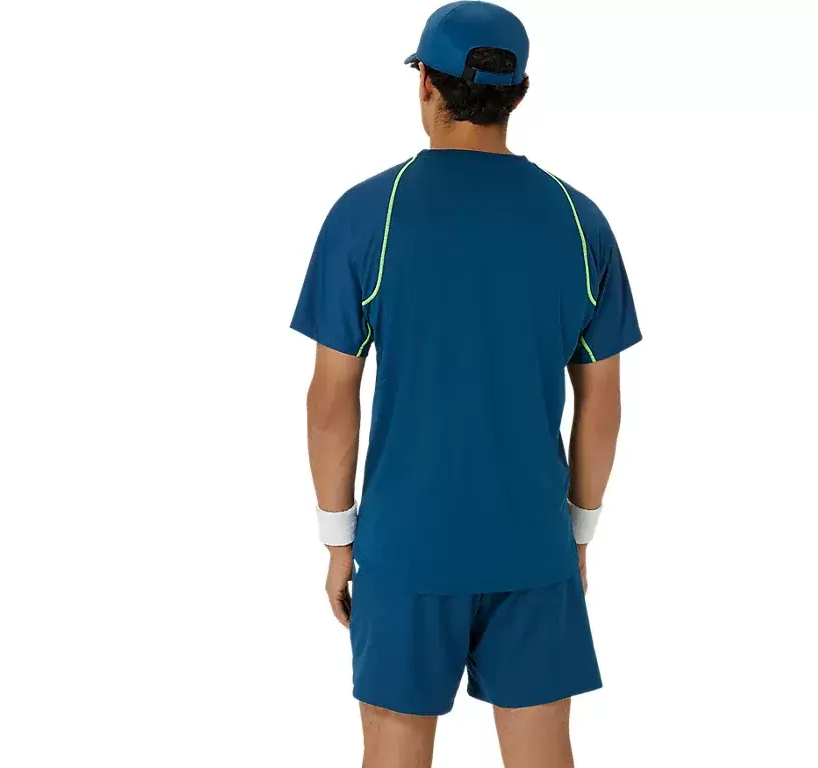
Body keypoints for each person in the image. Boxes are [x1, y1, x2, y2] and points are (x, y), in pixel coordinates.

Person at [290, 2, 641, 765]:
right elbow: (602, 403)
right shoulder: (579, 221)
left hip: (406, 551)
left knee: (393, 749)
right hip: (533, 544)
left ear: (424, 82)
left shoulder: (366, 215)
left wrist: (337, 539)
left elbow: (331, 401)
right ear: (521, 92)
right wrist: (578, 534)